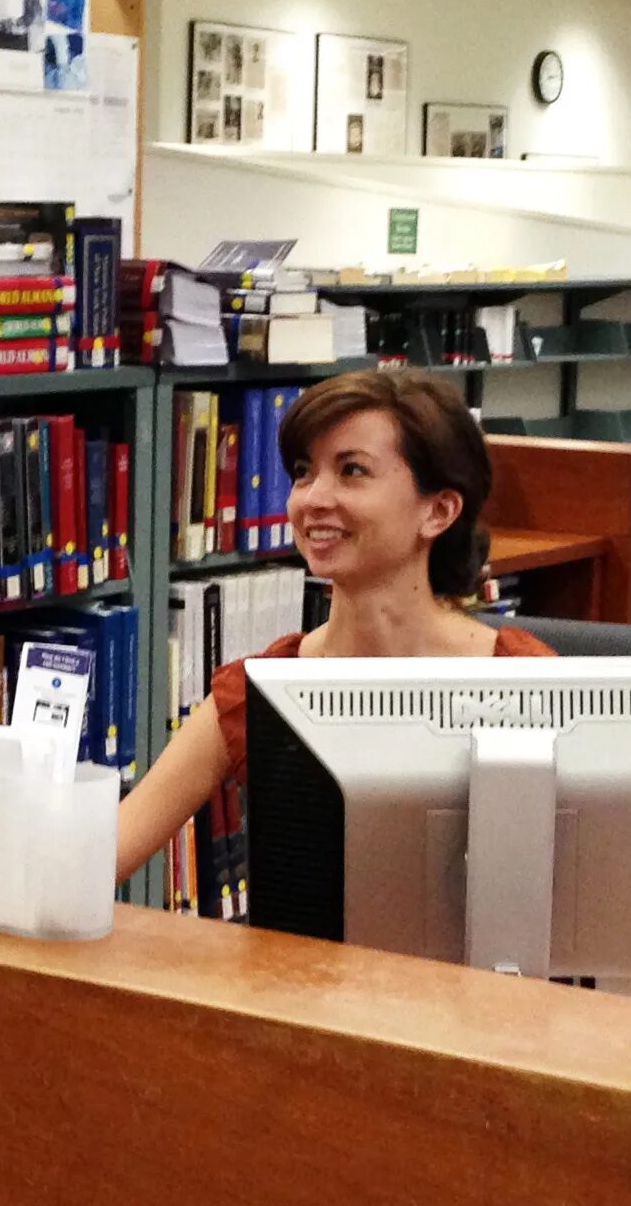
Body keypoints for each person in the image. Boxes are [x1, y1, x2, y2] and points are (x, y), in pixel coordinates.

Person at [116, 369, 555, 883]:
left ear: (438, 511)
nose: (312, 499)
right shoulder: (257, 692)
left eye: (352, 471)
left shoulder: (524, 678)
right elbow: (105, 856)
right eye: (304, 472)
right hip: (303, 966)